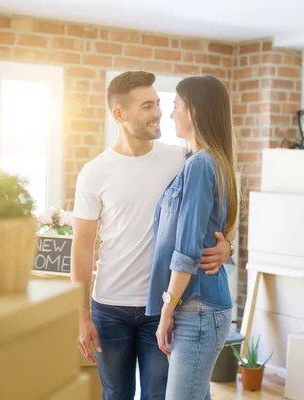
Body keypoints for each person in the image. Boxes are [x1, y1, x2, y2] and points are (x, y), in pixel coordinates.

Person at [71, 71, 233, 400]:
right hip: (109, 307)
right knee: (115, 395)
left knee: (158, 396)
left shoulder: (181, 159)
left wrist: (226, 244)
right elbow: (82, 248)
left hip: (160, 309)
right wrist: (82, 316)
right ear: (119, 114)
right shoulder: (94, 173)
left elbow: (213, 207)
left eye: (159, 103)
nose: (159, 112)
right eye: (147, 106)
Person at [145, 75, 238, 400]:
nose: (171, 115)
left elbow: (187, 249)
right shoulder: (214, 161)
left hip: (196, 307)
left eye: (176, 107)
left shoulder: (200, 164)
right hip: (204, 305)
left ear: (194, 112)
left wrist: (167, 309)